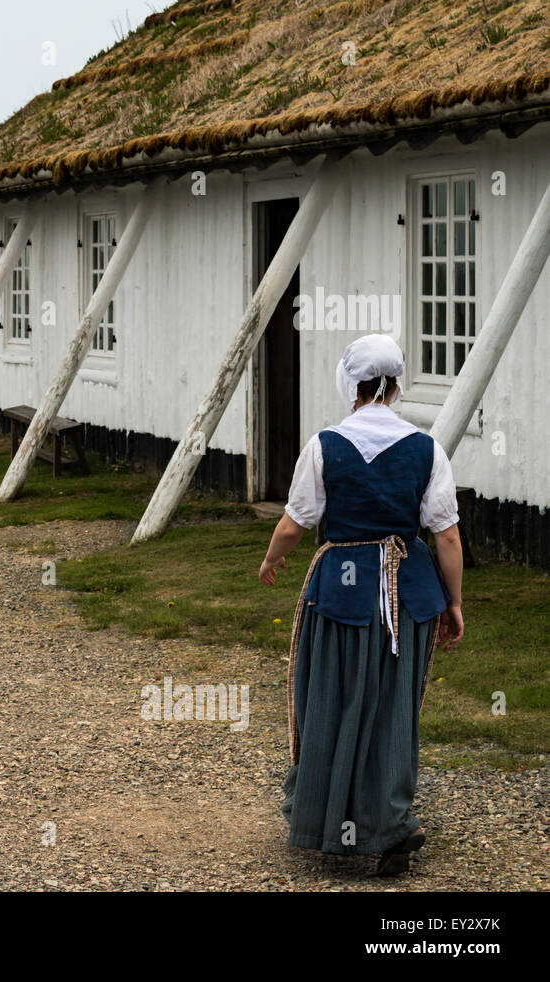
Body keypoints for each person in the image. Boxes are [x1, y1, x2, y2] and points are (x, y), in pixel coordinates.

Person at [258, 334, 464, 876]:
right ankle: (391, 820)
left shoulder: (325, 444)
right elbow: (446, 536)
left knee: (331, 696)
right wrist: (454, 602)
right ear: (395, 386)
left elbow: (295, 520)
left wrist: (271, 560)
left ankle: (327, 814)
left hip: (344, 591)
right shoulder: (427, 448)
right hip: (409, 591)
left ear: (352, 385)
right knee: (393, 707)